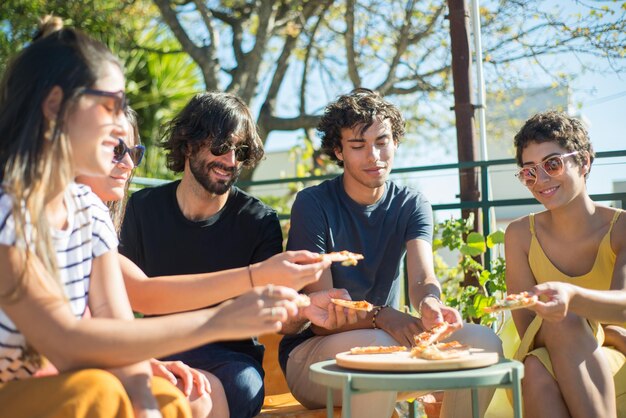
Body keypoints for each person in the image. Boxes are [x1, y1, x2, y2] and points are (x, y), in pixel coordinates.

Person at [0, 16, 302, 418]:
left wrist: (147, 405)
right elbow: (67, 341)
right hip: (24, 388)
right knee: (97, 391)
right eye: (110, 104)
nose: (120, 125)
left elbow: (116, 323)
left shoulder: (89, 211)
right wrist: (218, 320)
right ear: (55, 106)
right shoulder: (9, 209)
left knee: (168, 399)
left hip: (79, 376)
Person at [78, 106, 329, 418]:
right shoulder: (132, 210)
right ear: (188, 145)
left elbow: (280, 317)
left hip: (227, 359)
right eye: (221, 147)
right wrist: (256, 276)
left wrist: (301, 309)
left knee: (212, 390)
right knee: (184, 396)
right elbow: (140, 294)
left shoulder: (258, 220)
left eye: (241, 150)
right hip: (148, 345)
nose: (231, 160)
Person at [278, 88, 503, 418]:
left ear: (395, 142)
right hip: (314, 354)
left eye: (382, 142)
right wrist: (380, 314)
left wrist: (431, 304)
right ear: (338, 151)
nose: (374, 156)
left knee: (487, 344)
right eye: (358, 146)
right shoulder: (314, 204)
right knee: (375, 359)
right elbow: (325, 318)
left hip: (387, 341)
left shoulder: (412, 204)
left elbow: (424, 278)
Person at [505, 110, 626, 417]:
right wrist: (583, 320)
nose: (541, 179)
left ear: (583, 162)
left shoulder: (621, 228)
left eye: (553, 164)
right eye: (529, 171)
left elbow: (622, 313)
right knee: (550, 338)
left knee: (537, 365)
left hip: (614, 362)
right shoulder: (519, 235)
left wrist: (572, 300)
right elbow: (528, 330)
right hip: (546, 352)